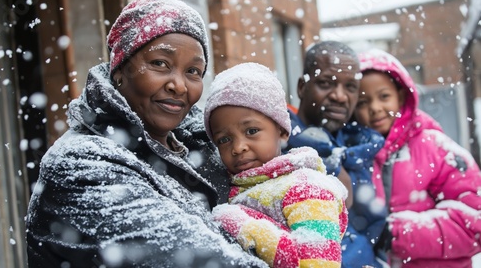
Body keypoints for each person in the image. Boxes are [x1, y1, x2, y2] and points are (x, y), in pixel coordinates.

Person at [25, 0, 268, 267]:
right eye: (160, 63)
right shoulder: (80, 165)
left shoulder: (209, 148)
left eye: (193, 71)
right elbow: (197, 260)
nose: (179, 85)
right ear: (120, 69)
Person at [203, 62, 349, 267]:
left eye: (251, 131)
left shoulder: (306, 188)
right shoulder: (248, 184)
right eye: (224, 140)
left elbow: (319, 263)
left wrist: (244, 226)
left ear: (281, 130)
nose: (238, 147)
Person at [354, 48, 481, 267]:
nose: (375, 108)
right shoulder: (355, 154)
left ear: (401, 96)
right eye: (362, 102)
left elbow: (474, 222)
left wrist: (396, 233)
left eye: (384, 96)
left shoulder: (436, 147)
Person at [285, 41, 388, 268]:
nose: (340, 96)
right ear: (302, 87)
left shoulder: (363, 146)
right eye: (326, 83)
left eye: (350, 87)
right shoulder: (275, 148)